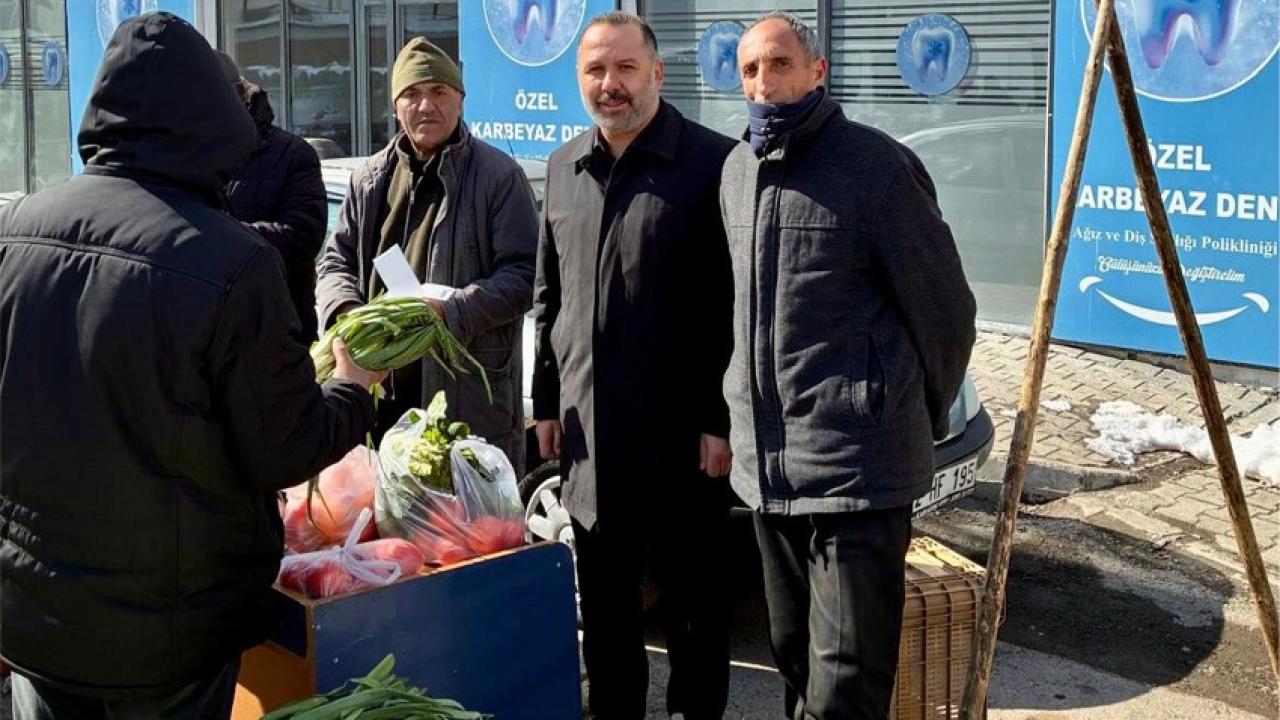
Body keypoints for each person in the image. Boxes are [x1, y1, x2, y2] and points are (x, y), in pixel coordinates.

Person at [0, 13, 384, 720]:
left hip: (36, 612)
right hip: (168, 632)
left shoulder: (18, 228)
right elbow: (287, 445)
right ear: (214, 117)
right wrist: (353, 390)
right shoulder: (232, 261)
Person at [719, 12, 977, 720]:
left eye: (778, 64)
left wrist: (897, 415)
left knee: (846, 690)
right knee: (795, 663)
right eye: (749, 70)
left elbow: (947, 312)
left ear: (816, 70)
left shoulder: (877, 167)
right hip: (767, 475)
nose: (763, 82)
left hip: (856, 478)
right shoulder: (737, 170)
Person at [531, 12, 736, 720]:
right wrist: (546, 405)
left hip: (683, 441)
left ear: (657, 73)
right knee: (610, 619)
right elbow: (548, 298)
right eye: (595, 71)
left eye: (624, 69)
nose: (609, 85)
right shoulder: (563, 167)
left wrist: (719, 419)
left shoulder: (714, 164)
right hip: (591, 440)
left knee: (694, 615)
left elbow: (730, 308)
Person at [317, 37, 537, 469]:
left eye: (438, 92)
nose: (425, 106)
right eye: (412, 94)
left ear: (460, 99)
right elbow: (335, 261)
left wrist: (450, 312)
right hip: (379, 398)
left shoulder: (499, 177)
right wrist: (346, 312)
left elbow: (526, 274)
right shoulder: (369, 180)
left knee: (464, 531)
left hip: (463, 402)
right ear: (395, 105)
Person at [219, 51, 328, 341]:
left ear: (242, 96)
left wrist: (218, 235)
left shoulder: (293, 154)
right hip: (214, 330)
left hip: (280, 330)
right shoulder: (190, 156)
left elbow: (304, 235)